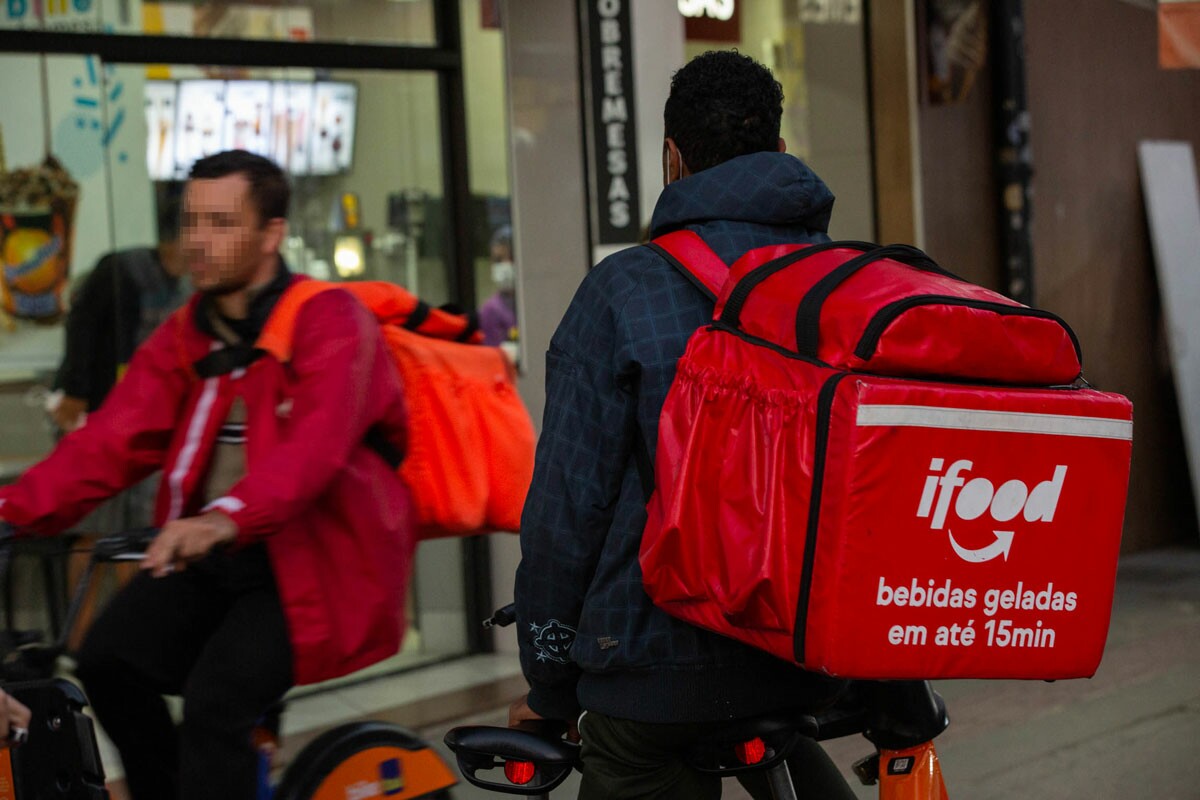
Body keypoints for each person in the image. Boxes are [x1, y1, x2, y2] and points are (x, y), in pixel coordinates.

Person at [0, 150, 416, 800]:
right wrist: (14, 509)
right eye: (192, 221)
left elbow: (313, 450)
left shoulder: (330, 321)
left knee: (213, 704)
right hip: (217, 556)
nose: (198, 239)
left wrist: (225, 518)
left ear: (271, 234)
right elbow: (110, 442)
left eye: (221, 223)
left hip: (312, 563)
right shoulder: (187, 336)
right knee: (107, 662)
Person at [509, 51, 857, 799]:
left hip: (649, 672)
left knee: (634, 759)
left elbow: (568, 508)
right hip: (801, 661)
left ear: (672, 158)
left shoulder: (622, 291)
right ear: (783, 153)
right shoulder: (841, 287)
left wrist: (550, 681)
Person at [52, 184, 190, 434]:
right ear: (172, 241)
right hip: (94, 395)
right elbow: (82, 326)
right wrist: (76, 390)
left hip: (139, 403)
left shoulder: (185, 288)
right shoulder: (122, 269)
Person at [479, 224, 517, 348]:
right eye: (498, 260)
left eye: (511, 257)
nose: (505, 265)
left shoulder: (534, 306)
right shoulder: (490, 311)